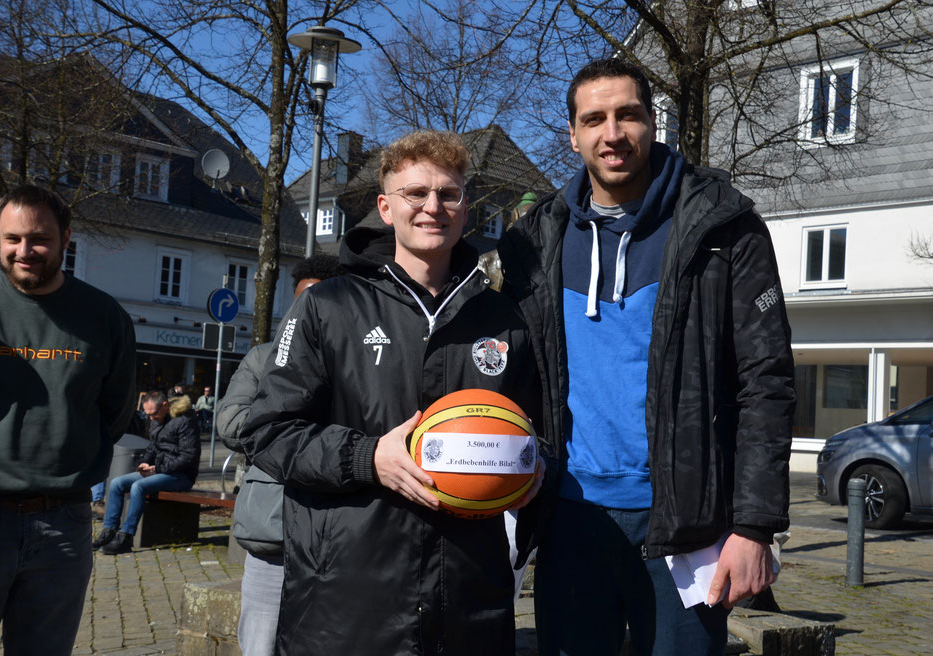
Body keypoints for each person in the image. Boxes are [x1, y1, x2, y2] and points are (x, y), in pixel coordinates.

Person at [497, 58, 796, 655]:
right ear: (573, 134)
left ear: (652, 122)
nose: (613, 133)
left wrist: (754, 527)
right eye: (595, 119)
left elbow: (766, 384)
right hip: (570, 520)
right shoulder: (533, 242)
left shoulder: (724, 227)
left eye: (627, 115)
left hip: (689, 527)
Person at [239, 130, 544, 656]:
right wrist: (368, 457)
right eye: (415, 194)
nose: (433, 207)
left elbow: (536, 432)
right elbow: (267, 431)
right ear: (386, 207)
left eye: (448, 195)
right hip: (346, 602)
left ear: (465, 209)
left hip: (469, 600)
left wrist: (530, 468)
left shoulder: (504, 319)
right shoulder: (327, 307)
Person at [0, 184, 137, 655]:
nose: (24, 251)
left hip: (62, 525)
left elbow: (115, 411)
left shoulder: (105, 317)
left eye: (39, 239)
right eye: (12, 239)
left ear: (66, 238)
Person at [216, 254, 342, 656]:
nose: (311, 311)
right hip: (274, 532)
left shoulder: (360, 360)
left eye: (322, 299)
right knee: (261, 644)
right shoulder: (262, 357)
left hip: (341, 532)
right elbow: (231, 423)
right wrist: (297, 428)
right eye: (303, 300)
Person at [94, 391, 201, 555]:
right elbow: (153, 447)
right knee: (116, 483)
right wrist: (145, 462)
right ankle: (109, 531)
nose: (151, 418)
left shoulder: (185, 421)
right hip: (159, 471)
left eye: (154, 414)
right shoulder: (157, 421)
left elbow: (188, 457)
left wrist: (157, 469)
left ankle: (126, 537)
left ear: (165, 406)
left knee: (138, 486)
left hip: (182, 475)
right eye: (148, 415)